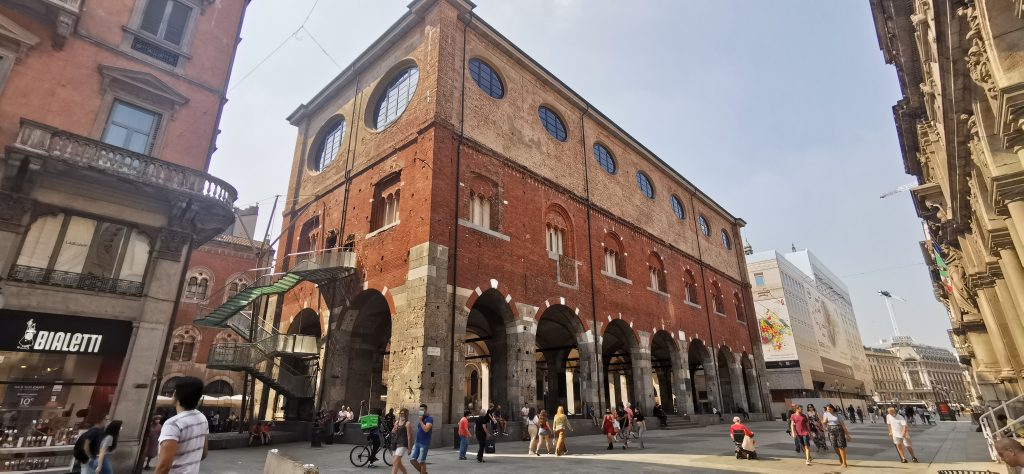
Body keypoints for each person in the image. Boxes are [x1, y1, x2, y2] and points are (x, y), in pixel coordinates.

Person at [156, 376, 209, 474]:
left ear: (176, 394)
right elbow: (204, 453)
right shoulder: (202, 418)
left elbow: (164, 466)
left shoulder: (172, 424)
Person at [823, 404, 851, 468]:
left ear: (832, 408)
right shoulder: (825, 414)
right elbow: (824, 422)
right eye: (827, 409)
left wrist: (848, 435)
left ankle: (844, 462)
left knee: (841, 446)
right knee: (835, 446)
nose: (828, 411)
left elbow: (843, 425)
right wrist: (825, 421)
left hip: (839, 430)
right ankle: (840, 457)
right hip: (830, 430)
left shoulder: (838, 414)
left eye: (829, 409)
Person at [409, 404, 432, 474]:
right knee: (412, 460)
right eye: (420, 409)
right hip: (417, 442)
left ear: (426, 410)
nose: (421, 411)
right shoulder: (421, 418)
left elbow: (426, 429)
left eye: (422, 409)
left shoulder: (429, 418)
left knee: (422, 461)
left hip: (424, 443)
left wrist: (421, 421)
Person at [390, 409, 413, 474]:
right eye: (400, 413)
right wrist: (394, 430)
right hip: (395, 443)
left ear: (406, 414)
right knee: (398, 463)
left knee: (395, 463)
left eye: (403, 413)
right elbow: (393, 432)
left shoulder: (407, 423)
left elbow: (409, 436)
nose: (401, 415)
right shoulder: (396, 422)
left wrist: (409, 448)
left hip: (403, 444)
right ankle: (405, 472)